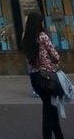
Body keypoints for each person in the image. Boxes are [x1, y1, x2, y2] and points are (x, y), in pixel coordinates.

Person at [23, 9, 65, 139]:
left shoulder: (26, 38)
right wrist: (54, 61)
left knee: (50, 106)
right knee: (48, 109)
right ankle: (48, 135)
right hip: (47, 76)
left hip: (34, 77)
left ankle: (59, 135)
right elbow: (55, 55)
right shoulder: (42, 36)